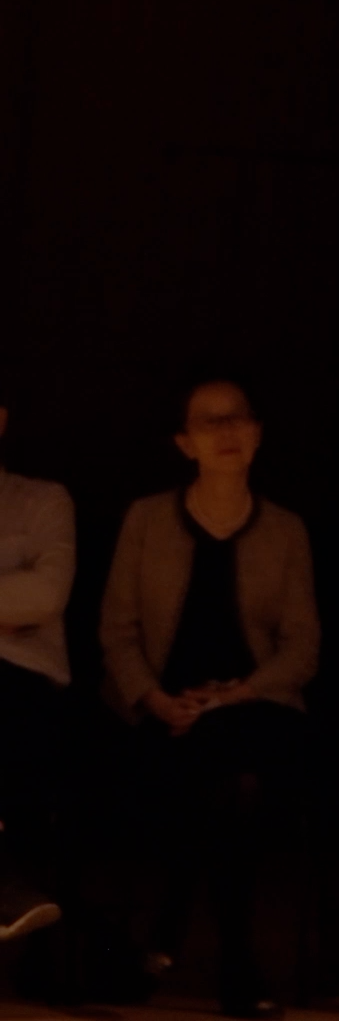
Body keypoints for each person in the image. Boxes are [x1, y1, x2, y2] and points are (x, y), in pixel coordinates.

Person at [99, 376, 321, 1019]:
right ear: (184, 443)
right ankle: (235, 960)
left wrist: (237, 695)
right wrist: (157, 700)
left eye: (237, 418)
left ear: (258, 433)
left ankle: (172, 929)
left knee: (238, 760)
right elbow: (117, 631)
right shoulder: (147, 519)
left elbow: (303, 646)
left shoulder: (285, 529)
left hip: (255, 709)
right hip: (162, 717)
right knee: (231, 782)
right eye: (209, 422)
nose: (226, 432)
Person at [0, 384, 76, 943]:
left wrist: (25, 605)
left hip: (23, 680)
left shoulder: (43, 501)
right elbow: (24, 598)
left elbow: (46, 595)